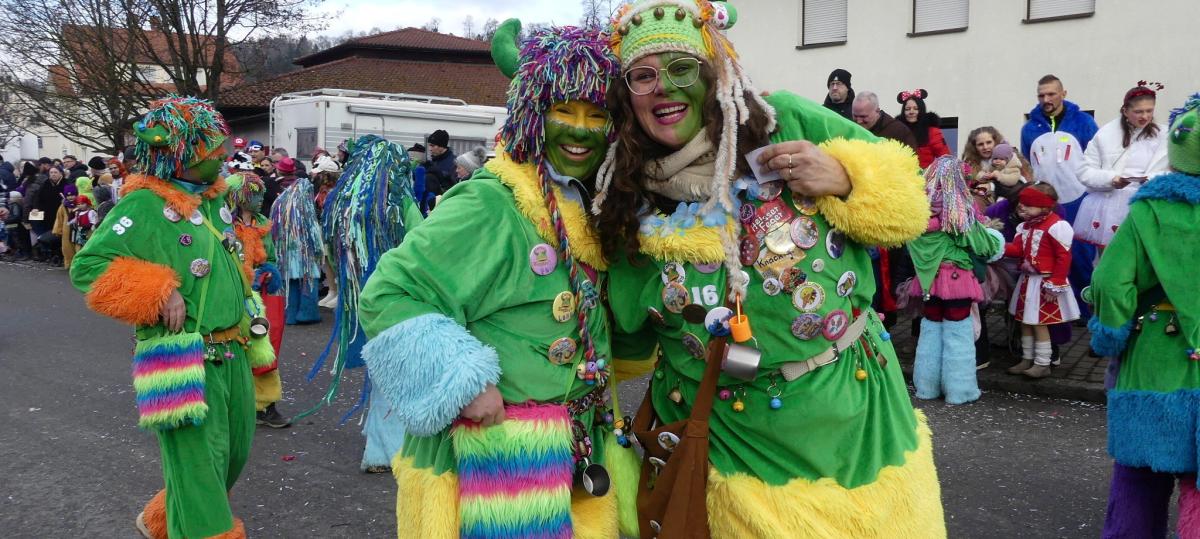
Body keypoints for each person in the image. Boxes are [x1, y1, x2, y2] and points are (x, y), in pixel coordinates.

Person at [595, 2, 944, 536]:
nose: (664, 89)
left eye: (681, 68)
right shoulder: (621, 191)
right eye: (643, 77)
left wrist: (848, 178)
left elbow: (910, 200)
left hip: (851, 417)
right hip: (721, 439)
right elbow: (623, 332)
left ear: (715, 74)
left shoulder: (781, 120)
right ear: (627, 97)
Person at [358, 21, 640, 537]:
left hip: (573, 448)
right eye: (563, 111)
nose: (579, 129)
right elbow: (388, 293)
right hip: (494, 453)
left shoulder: (589, 206)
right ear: (533, 112)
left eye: (596, 115)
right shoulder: (492, 203)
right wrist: (463, 381)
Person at [70, 96, 270, 539]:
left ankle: (163, 522)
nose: (221, 154)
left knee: (229, 459)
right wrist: (156, 291)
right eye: (211, 148)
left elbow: (227, 259)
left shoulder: (214, 201)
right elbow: (87, 268)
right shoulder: (140, 207)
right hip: (179, 357)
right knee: (199, 468)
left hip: (233, 351)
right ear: (179, 155)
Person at [1089, 93, 1200, 539]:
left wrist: (1110, 335)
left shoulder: (1150, 210)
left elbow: (1110, 283)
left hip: (1155, 355)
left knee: (1139, 476)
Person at [909, 157, 1003, 404]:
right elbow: (987, 246)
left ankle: (927, 387)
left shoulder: (917, 215)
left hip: (928, 282)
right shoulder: (957, 212)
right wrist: (991, 233)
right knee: (958, 335)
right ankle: (959, 391)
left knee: (930, 332)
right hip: (956, 280)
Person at [226, 172, 290, 429]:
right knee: (235, 349)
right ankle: (237, 403)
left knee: (265, 345)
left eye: (261, 192)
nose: (260, 197)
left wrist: (269, 270)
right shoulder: (224, 223)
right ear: (239, 196)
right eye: (254, 192)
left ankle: (265, 404)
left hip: (260, 295)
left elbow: (270, 256)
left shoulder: (263, 221)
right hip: (232, 293)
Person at [1075, 82, 1169, 254]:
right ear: (1125, 111)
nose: (1145, 116)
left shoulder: (1164, 136)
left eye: (1149, 111)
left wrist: (1151, 179)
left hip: (1148, 204)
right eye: (1138, 111)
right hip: (1112, 206)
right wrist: (1112, 179)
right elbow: (1084, 171)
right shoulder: (1105, 135)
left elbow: (1174, 171)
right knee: (1110, 260)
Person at [1003, 182, 1078, 379]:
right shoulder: (1025, 227)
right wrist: (997, 246)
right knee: (1024, 321)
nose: (1022, 208)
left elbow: (1064, 258)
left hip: (1045, 283)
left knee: (1039, 323)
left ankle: (1043, 362)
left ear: (1045, 207)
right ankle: (1026, 359)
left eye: (1028, 205)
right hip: (1028, 281)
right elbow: (1018, 250)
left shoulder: (1057, 226)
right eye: (1022, 205)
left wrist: (1055, 285)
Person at [270, 158, 323, 326]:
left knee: (290, 276)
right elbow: (310, 217)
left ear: (279, 170)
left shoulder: (277, 190)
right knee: (308, 275)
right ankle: (307, 312)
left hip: (285, 240)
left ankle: (290, 313)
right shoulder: (304, 188)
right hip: (304, 239)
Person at [897, 88, 950, 168]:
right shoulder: (897, 131)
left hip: (925, 179)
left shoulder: (932, 132)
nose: (911, 112)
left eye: (916, 109)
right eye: (908, 109)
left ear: (921, 110)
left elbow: (946, 159)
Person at [852, 91, 917, 151]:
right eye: (855, 116)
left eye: (863, 116)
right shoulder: (850, 127)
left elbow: (912, 160)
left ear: (877, 111)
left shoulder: (899, 131)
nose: (858, 121)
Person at [421, 129, 457, 201]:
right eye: (429, 146)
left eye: (432, 146)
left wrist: (441, 174)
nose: (430, 149)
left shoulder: (454, 162)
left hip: (444, 203)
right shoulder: (434, 161)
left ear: (442, 146)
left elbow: (455, 186)